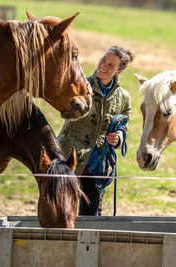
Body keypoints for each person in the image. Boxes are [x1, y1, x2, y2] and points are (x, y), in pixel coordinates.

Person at [58, 46, 135, 215]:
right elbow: (65, 110)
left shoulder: (124, 98)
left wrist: (119, 138)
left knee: (90, 215)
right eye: (103, 59)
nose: (103, 66)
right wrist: (81, 95)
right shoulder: (80, 83)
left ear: (119, 71)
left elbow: (123, 124)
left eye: (111, 65)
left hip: (97, 164)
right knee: (61, 211)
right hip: (68, 157)